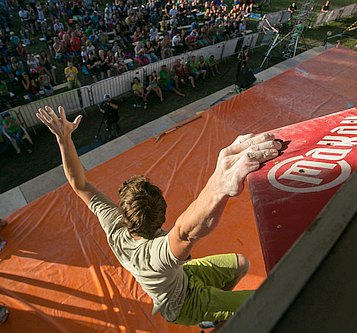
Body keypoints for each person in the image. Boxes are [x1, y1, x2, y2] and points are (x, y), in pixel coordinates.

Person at [36, 105, 282, 326]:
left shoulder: (115, 226)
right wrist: (219, 186)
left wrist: (64, 138)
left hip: (183, 276)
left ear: (123, 211)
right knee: (261, 301)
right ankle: (211, 314)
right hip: (184, 305)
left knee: (241, 263)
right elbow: (185, 231)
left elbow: (79, 184)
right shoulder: (153, 256)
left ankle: (216, 314)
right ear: (161, 217)